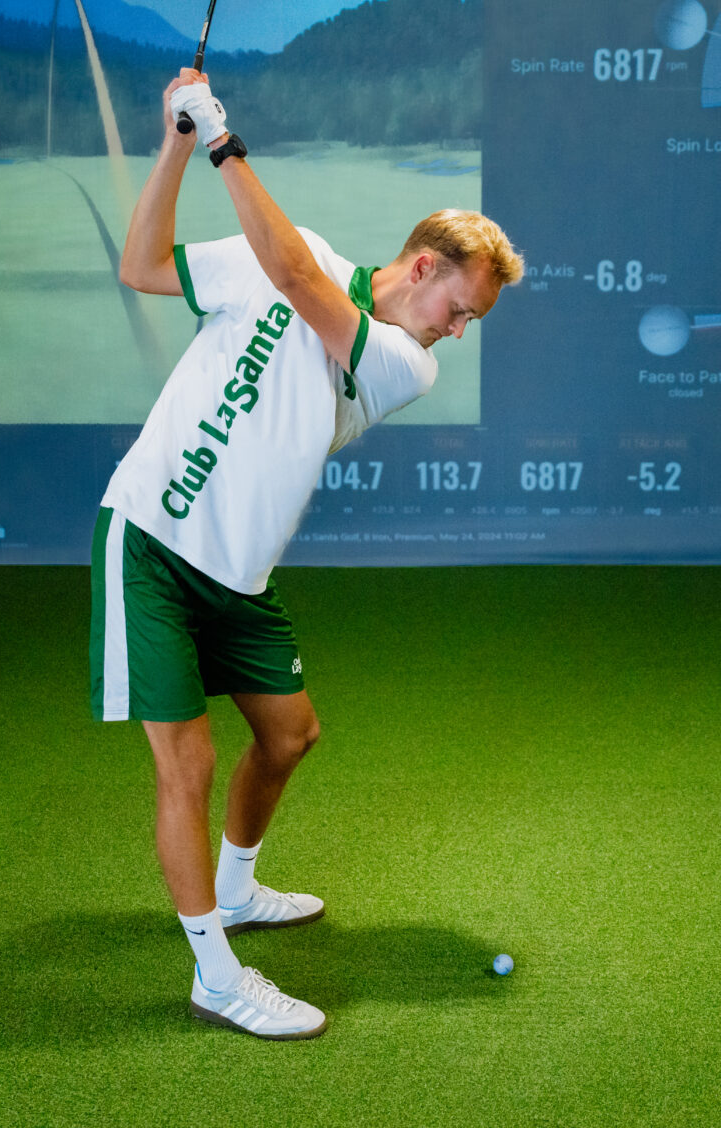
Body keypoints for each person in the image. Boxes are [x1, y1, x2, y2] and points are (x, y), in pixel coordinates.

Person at [93, 69, 522, 1040]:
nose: (459, 334)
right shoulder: (288, 259)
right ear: (421, 267)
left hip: (238, 576)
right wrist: (176, 141)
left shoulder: (403, 362)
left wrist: (223, 141)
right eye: (461, 308)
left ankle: (236, 892)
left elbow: (296, 280)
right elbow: (143, 266)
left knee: (289, 735)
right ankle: (214, 970)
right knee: (188, 762)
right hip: (154, 545)